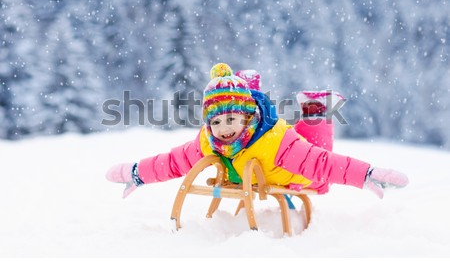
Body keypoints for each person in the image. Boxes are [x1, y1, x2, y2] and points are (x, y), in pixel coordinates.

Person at [106, 63, 409, 200]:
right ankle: (246, 86)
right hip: (256, 170)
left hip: (295, 173)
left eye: (231, 120)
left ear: (247, 116)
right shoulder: (207, 142)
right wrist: (137, 172)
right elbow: (173, 162)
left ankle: (317, 110)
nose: (223, 130)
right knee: (302, 150)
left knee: (318, 177)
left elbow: (323, 164)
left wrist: (366, 174)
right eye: (216, 122)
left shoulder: (275, 143)